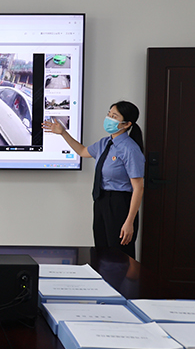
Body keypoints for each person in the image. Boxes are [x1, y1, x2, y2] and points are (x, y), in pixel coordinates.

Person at [43, 101, 145, 258]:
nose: (109, 118)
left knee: (119, 255)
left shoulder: (130, 149)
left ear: (126, 124)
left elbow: (138, 187)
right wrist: (63, 133)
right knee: (101, 251)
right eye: (109, 114)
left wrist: (129, 221)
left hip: (120, 204)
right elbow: (83, 151)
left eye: (114, 116)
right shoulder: (105, 143)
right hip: (101, 200)